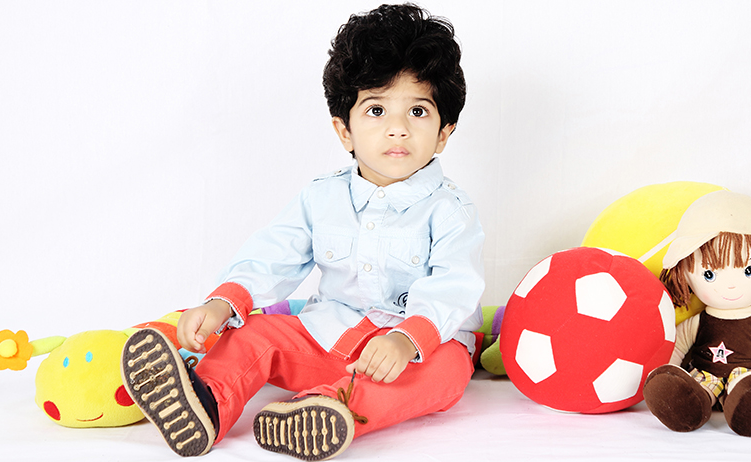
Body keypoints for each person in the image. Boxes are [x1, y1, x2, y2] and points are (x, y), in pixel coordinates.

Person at [120, 4, 484, 460]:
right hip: (328, 337)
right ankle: (207, 402)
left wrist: (408, 338)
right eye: (376, 109)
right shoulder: (321, 198)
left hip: (410, 353)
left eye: (417, 111)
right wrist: (222, 303)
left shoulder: (451, 211)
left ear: (444, 133)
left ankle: (332, 410)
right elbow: (275, 254)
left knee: (449, 371)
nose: (397, 129)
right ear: (344, 130)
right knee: (253, 334)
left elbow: (455, 286)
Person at [641, 191, 751, 438]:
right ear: (685, 276)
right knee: (690, 391)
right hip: (704, 376)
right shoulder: (698, 323)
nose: (731, 286)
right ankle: (687, 407)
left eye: (748, 270)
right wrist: (667, 373)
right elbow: (676, 349)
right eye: (709, 274)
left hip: (746, 376)